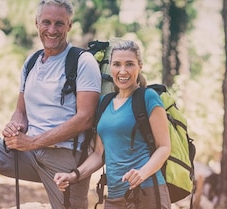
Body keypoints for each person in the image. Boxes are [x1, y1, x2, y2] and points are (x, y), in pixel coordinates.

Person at [0, 0, 101, 208]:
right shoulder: (31, 62)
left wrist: (33, 142)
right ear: (37, 23)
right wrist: (15, 126)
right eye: (46, 22)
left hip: (65, 158)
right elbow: (21, 111)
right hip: (28, 154)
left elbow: (85, 119)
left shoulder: (83, 62)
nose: (52, 29)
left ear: (69, 25)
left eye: (59, 23)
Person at [54, 39, 172, 209]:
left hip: (147, 192)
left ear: (140, 66)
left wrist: (142, 173)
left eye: (129, 64)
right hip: (115, 197)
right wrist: (73, 176)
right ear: (111, 67)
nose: (122, 71)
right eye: (117, 64)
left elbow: (164, 147)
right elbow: (98, 154)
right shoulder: (104, 102)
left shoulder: (148, 97)